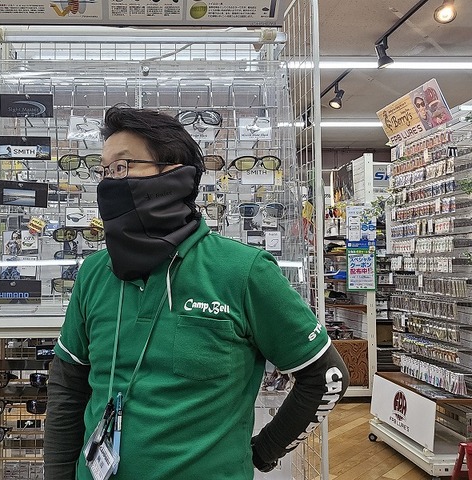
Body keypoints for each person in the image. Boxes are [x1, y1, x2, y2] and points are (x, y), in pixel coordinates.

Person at [43, 105, 349, 480]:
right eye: (104, 171)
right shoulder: (94, 273)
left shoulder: (244, 271)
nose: (108, 183)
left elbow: (326, 376)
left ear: (174, 175)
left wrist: (264, 450)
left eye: (121, 167)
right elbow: (68, 388)